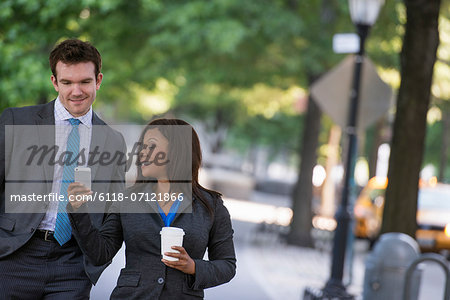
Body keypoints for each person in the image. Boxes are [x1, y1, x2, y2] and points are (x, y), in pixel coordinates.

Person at [0, 39, 126, 299]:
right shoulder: (16, 121)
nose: (76, 91)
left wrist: (100, 258)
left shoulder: (113, 140)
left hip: (73, 265)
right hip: (13, 257)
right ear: (55, 82)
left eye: (85, 82)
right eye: (67, 82)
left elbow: (114, 209)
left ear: (98, 80)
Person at [67, 119, 236, 299]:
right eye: (142, 147)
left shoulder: (212, 206)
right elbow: (100, 253)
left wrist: (193, 267)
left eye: (151, 146)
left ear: (177, 150)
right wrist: (79, 209)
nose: (142, 153)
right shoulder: (127, 200)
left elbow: (227, 265)